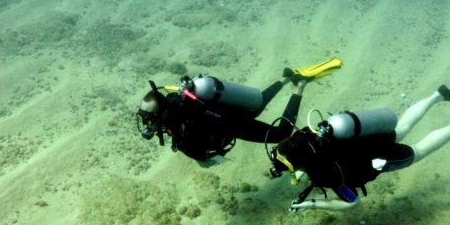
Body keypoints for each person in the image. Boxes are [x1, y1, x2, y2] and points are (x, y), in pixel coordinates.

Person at [268, 84, 450, 212]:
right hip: (371, 137)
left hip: (380, 157)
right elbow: (306, 155)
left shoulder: (324, 174)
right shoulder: (305, 134)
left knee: (419, 150)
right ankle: (438, 95)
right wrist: (299, 168)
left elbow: (352, 202)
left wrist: (312, 204)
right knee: (402, 127)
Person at [136, 58, 343, 166]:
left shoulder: (183, 133)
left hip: (233, 125)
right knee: (258, 103)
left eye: (150, 119)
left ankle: (300, 86)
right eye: (145, 119)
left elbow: (205, 158)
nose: (148, 125)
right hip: (231, 109)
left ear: (163, 113)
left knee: (282, 135)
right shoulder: (174, 99)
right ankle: (286, 77)